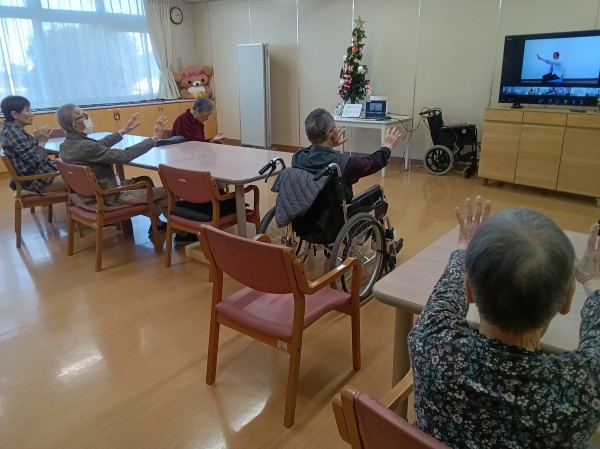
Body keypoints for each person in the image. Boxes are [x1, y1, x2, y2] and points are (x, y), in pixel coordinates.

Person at [408, 196, 600, 449]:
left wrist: (463, 247)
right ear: (567, 300)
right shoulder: (584, 389)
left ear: (469, 290)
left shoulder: (428, 340)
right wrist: (592, 282)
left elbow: (445, 296)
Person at [56, 103, 168, 234]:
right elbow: (125, 155)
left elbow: (98, 145)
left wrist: (122, 131)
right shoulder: (86, 147)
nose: (87, 117)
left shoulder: (65, 146)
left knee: (145, 180)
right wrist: (153, 139)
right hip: (109, 197)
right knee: (168, 192)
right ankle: (179, 231)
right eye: (83, 116)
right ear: (75, 125)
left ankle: (157, 224)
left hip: (86, 196)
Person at [292, 108, 401, 201]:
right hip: (335, 216)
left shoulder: (297, 158)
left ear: (308, 137)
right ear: (333, 133)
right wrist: (387, 147)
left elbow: (316, 150)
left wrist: (330, 144)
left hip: (305, 214)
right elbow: (371, 163)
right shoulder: (342, 164)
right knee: (378, 194)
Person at [0, 95, 67, 194]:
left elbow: (29, 154)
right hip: (39, 181)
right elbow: (34, 161)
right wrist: (41, 142)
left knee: (76, 168)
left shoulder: (12, 130)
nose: (31, 114)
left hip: (42, 175)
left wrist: (37, 139)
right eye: (27, 110)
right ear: (14, 114)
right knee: (84, 180)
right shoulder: (13, 133)